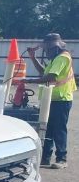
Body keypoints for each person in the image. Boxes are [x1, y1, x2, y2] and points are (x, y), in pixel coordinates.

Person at [25, 33, 76, 169]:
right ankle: (45, 157)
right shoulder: (55, 59)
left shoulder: (62, 58)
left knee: (59, 129)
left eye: (48, 49)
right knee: (48, 129)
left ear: (56, 47)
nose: (47, 51)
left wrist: (28, 80)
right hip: (51, 99)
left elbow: (51, 78)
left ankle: (62, 159)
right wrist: (33, 58)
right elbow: (44, 73)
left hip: (61, 99)